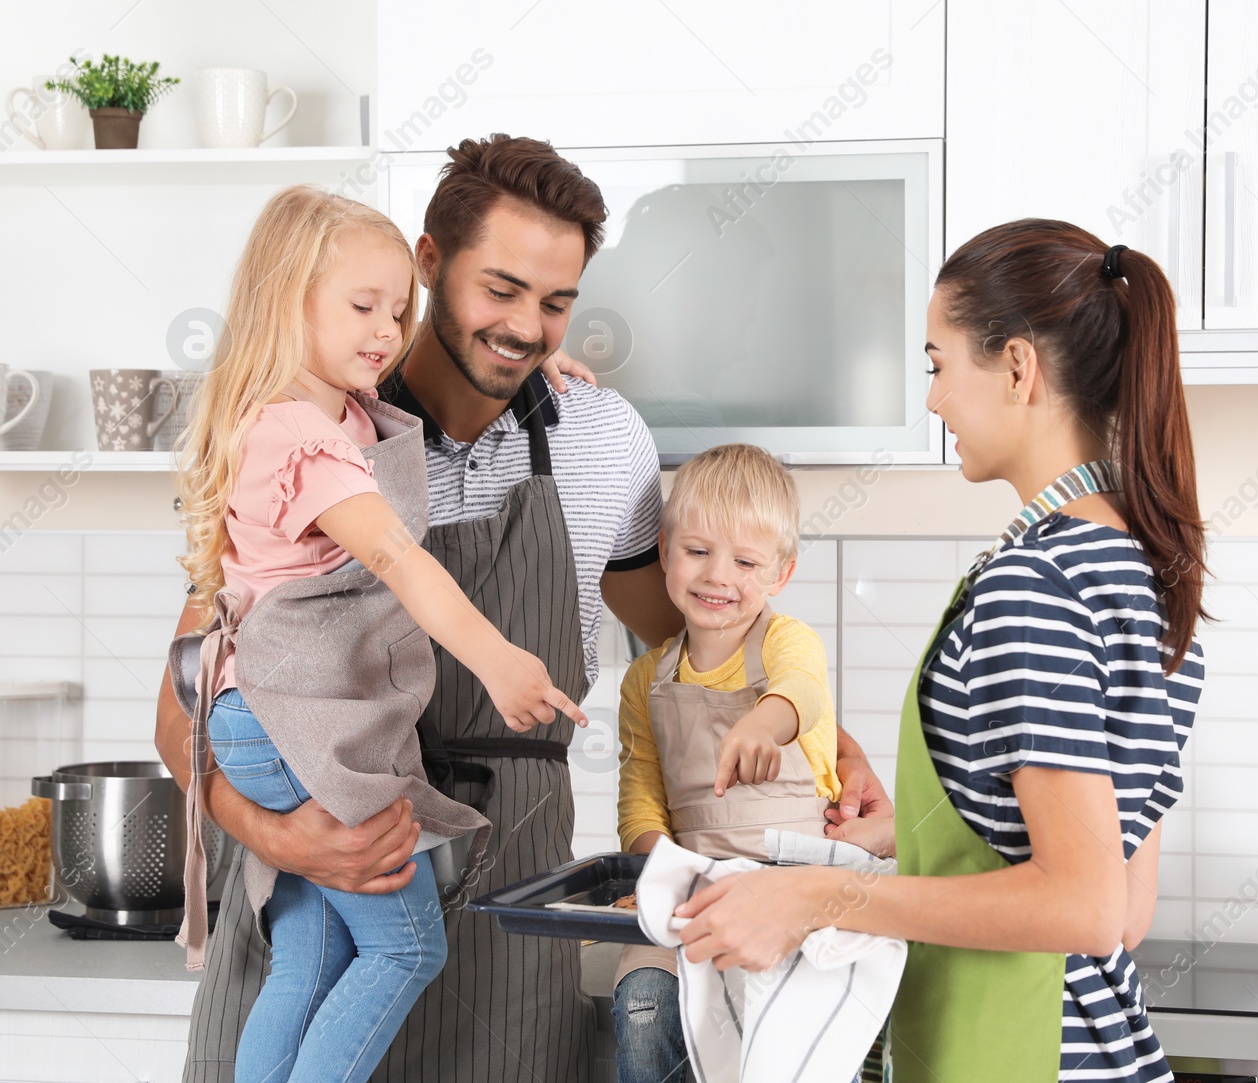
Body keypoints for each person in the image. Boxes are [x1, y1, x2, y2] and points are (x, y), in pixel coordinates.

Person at [154, 134, 893, 1083]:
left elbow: (703, 641)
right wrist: (277, 835)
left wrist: (828, 744)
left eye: (555, 303)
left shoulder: (600, 442)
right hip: (320, 881)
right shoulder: (314, 423)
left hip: (508, 919)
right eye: (498, 291)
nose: (526, 328)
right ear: (426, 265)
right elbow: (190, 707)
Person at [671, 222, 1209, 1082]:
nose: (933, 401)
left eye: (938, 364)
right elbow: (1123, 907)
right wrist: (914, 835)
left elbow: (1081, 901)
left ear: (1020, 368)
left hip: (1021, 1058)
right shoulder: (1143, 565)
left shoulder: (1036, 584)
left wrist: (812, 898)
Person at [168, 184, 587, 1083]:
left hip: (275, 717)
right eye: (363, 306)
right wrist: (501, 660)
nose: (386, 331)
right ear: (288, 302)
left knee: (312, 960)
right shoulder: (300, 439)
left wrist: (538, 362)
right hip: (301, 724)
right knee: (405, 952)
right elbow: (399, 558)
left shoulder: (332, 412)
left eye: (399, 311)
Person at [610, 444, 841, 1083]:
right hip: (692, 895)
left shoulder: (788, 642)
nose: (718, 576)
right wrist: (660, 870)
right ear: (663, 550)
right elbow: (641, 792)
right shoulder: (644, 679)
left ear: (780, 573)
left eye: (745, 561)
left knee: (795, 1039)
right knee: (644, 1007)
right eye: (697, 551)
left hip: (794, 889)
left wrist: (766, 723)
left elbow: (803, 688)